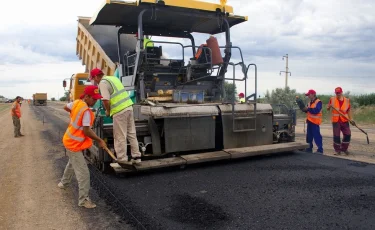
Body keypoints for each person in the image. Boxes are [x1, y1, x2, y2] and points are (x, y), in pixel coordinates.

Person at [58, 85, 107, 209]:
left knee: (72, 163)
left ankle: (63, 183)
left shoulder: (77, 103)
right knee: (84, 173)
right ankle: (83, 200)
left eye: (97, 99)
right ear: (86, 97)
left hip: (69, 140)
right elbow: (87, 131)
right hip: (73, 143)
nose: (95, 101)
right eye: (93, 98)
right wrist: (100, 140)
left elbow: (65, 107)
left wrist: (73, 114)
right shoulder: (85, 111)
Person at [90, 68, 142, 165]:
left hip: (119, 111)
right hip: (129, 108)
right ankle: (137, 157)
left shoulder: (102, 83)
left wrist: (108, 111)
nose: (94, 81)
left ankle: (122, 159)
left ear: (97, 76)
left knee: (120, 136)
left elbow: (105, 100)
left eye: (94, 79)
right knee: (131, 134)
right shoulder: (113, 78)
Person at [327, 87, 354, 155]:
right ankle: (337, 150)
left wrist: (351, 119)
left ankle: (344, 148)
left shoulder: (347, 100)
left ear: (342, 92)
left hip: (344, 120)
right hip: (336, 121)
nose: (338, 94)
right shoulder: (332, 99)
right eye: (336, 93)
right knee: (336, 136)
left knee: (348, 134)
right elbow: (328, 108)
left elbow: (349, 110)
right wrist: (329, 107)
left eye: (339, 93)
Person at [301, 89, 323, 154]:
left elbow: (316, 111)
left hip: (315, 122)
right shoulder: (309, 103)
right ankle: (309, 148)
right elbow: (308, 111)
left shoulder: (318, 102)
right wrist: (304, 109)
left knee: (317, 136)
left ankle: (320, 150)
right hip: (310, 121)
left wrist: (308, 109)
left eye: (309, 95)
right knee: (309, 136)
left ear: (313, 94)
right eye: (307, 95)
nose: (308, 96)